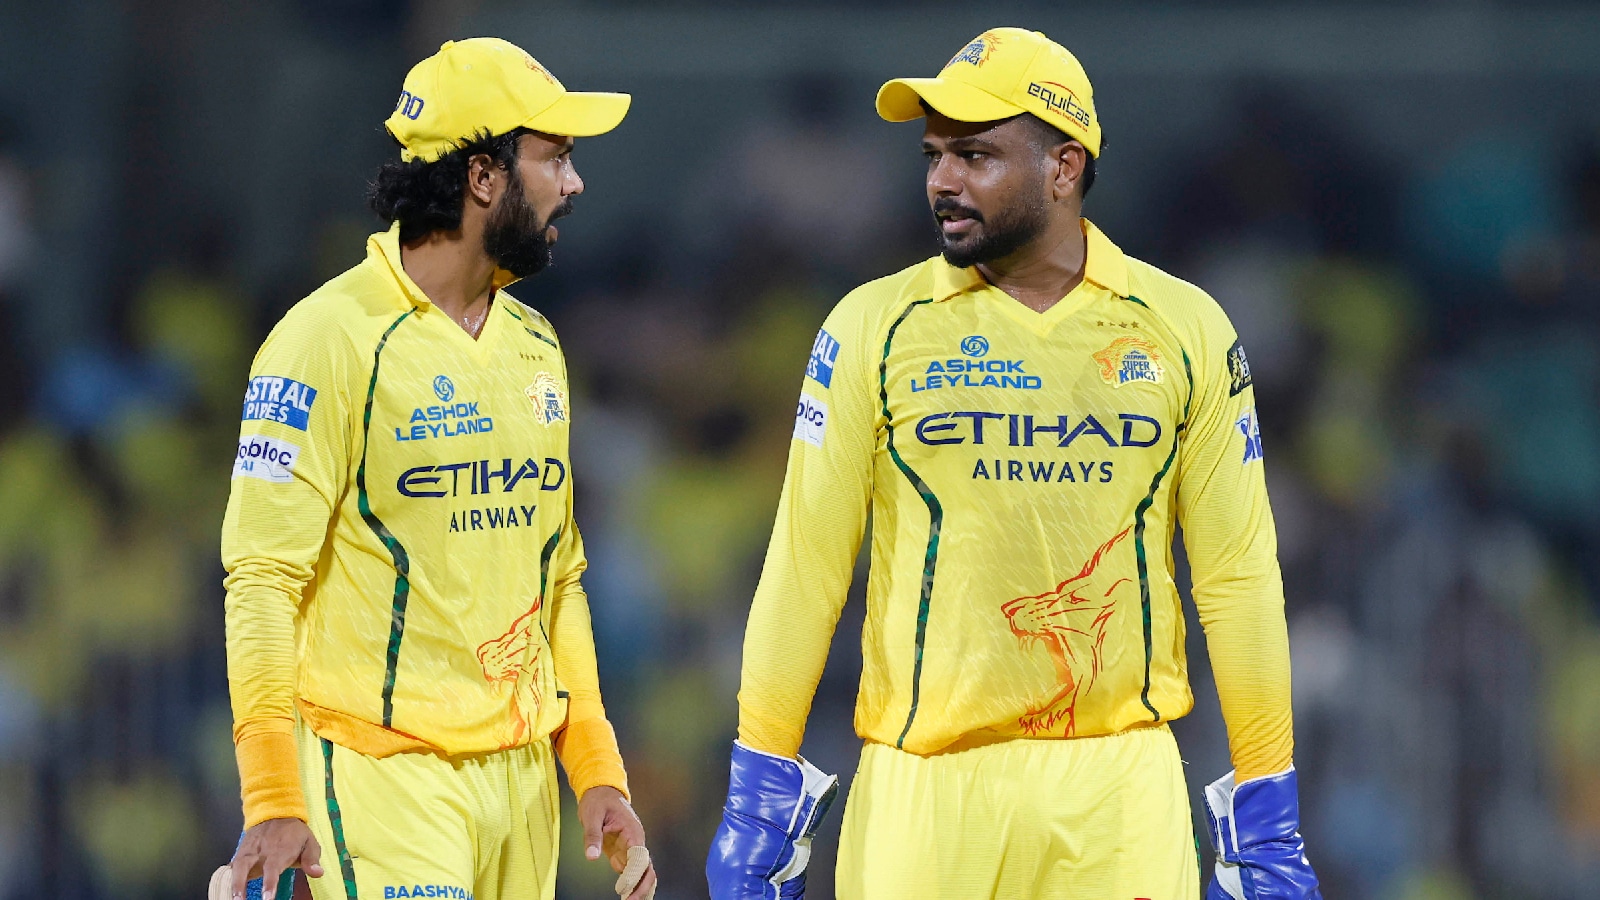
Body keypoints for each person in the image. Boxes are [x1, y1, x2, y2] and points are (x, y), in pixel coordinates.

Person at [706, 27, 1319, 900]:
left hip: (1120, 793)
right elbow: (806, 567)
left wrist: (1268, 809)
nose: (941, 181)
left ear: (1064, 167)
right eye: (933, 156)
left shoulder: (1185, 329)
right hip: (924, 791)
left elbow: (1236, 579)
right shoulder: (872, 327)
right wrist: (757, 796)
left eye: (976, 155)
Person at [219, 37, 655, 900]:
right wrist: (272, 794)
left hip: (521, 782)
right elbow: (263, 578)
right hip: (386, 773)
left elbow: (556, 574)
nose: (573, 184)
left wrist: (597, 768)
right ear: (483, 178)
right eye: (556, 157)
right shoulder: (325, 340)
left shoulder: (535, 345)